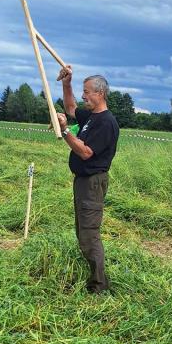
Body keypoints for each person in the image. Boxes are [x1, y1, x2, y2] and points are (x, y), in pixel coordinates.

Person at [56, 66, 120, 294]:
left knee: (89, 234)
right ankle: (94, 276)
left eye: (86, 91)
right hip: (83, 182)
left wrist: (65, 131)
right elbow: (71, 108)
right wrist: (66, 83)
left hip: (93, 183)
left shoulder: (106, 122)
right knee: (83, 231)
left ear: (100, 93)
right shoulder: (92, 117)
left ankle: (99, 286)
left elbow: (85, 152)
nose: (83, 96)